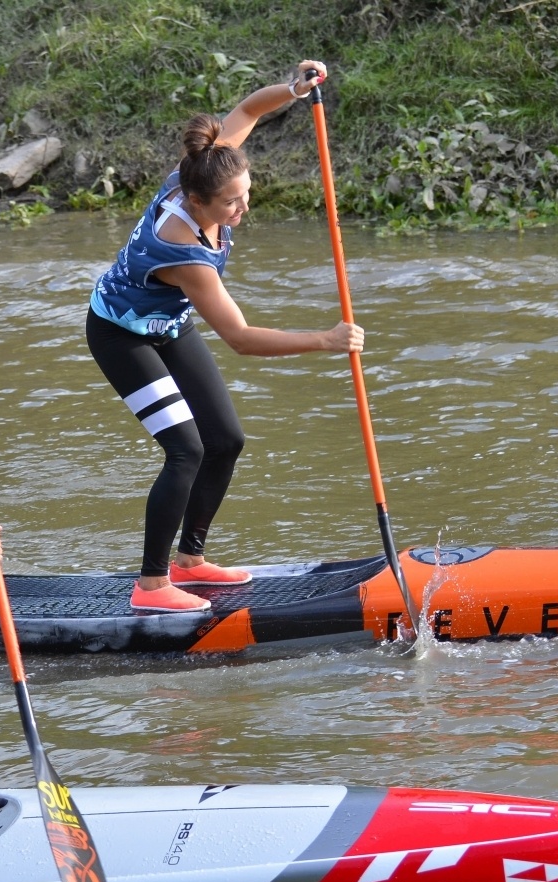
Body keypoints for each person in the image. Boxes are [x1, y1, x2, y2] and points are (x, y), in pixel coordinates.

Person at [86, 60, 366, 613]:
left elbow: (245, 112)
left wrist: (292, 88)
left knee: (227, 441)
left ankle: (191, 561)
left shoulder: (204, 169)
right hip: (121, 336)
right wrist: (325, 340)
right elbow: (239, 337)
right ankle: (151, 585)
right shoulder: (185, 254)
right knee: (185, 450)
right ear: (196, 204)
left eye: (246, 193)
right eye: (232, 203)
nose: (243, 207)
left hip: (167, 324)